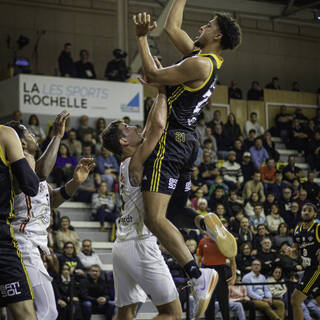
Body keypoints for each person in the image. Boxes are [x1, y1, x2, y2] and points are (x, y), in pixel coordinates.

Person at [131, 4, 240, 315]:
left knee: (154, 218)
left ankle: (198, 275)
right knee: (175, 212)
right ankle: (203, 220)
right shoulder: (205, 59)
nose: (200, 28)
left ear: (217, 35)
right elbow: (171, 28)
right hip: (188, 141)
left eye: (207, 25)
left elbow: (152, 74)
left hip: (170, 142)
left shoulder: (199, 65)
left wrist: (141, 38)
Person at [102, 88, 184, 319]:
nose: (134, 126)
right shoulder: (135, 161)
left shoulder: (128, 160)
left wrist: (158, 88)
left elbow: (148, 127)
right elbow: (157, 127)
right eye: (127, 127)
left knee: (125, 312)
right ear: (123, 140)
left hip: (122, 245)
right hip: (139, 243)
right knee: (172, 313)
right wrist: (161, 90)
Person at [7, 113, 95, 320]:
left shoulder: (31, 168)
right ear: (19, 142)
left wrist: (75, 182)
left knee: (18, 314)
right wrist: (57, 136)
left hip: (27, 245)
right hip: (22, 244)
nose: (33, 135)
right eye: (28, 132)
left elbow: (51, 199)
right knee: (47, 311)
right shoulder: (19, 166)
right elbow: (41, 175)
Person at [0, 124, 40, 319]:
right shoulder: (5, 134)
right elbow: (31, 186)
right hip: (2, 239)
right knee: (25, 314)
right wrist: (27, 162)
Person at [289, 203, 320, 320]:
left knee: (295, 300)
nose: (306, 212)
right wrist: (291, 252)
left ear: (315, 214)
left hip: (316, 269)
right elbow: (295, 251)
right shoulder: (297, 229)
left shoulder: (317, 227)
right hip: (307, 268)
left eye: (309, 210)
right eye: (304, 210)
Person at [196, 235, 237, 320]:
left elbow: (232, 259)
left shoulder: (224, 241)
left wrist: (234, 276)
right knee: (208, 304)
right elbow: (198, 260)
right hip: (207, 272)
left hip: (221, 271)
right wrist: (198, 275)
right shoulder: (202, 241)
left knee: (224, 303)